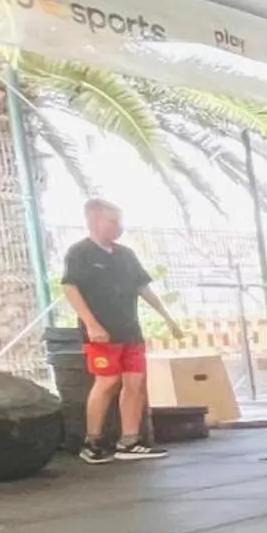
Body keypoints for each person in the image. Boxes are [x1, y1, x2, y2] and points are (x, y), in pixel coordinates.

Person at [61, 197, 182, 464]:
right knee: (107, 381)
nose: (119, 227)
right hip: (102, 334)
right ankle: (91, 441)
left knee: (136, 383)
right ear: (94, 220)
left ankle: (129, 441)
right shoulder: (80, 253)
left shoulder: (126, 255)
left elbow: (143, 287)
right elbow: (70, 288)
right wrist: (91, 324)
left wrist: (168, 318)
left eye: (120, 221)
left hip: (130, 331)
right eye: (112, 221)